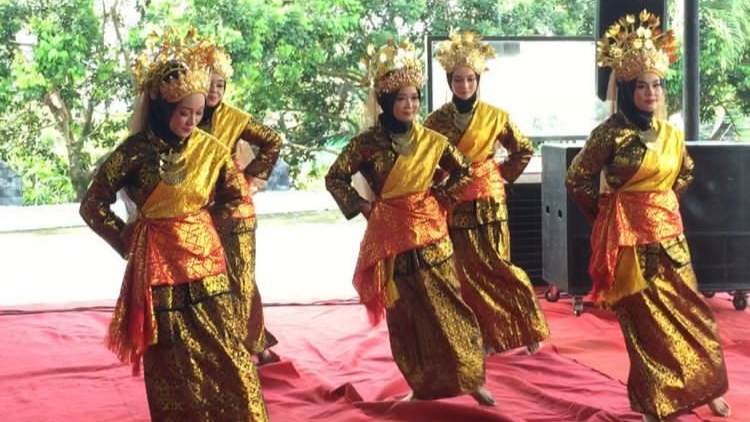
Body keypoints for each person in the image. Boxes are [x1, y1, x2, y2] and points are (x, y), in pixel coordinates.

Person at [79, 29, 269, 421]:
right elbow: (92, 204)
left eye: (198, 114)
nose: (192, 122)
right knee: (170, 359)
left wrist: (205, 225)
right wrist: (127, 239)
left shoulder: (211, 150)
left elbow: (236, 197)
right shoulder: (133, 153)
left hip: (206, 265)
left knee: (228, 351)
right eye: (184, 113)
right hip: (157, 269)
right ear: (163, 107)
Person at [565, 10, 730, 422]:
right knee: (646, 325)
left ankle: (705, 386)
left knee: (693, 316)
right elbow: (577, 177)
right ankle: (657, 402)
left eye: (656, 85)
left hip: (671, 239)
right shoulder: (610, 133)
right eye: (641, 86)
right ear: (626, 89)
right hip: (630, 245)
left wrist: (661, 203)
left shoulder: (672, 133)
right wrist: (606, 215)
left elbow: (686, 172)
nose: (651, 92)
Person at [325, 39, 494, 406]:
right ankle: (421, 384)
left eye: (415, 98)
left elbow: (465, 172)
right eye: (401, 99)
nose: (410, 105)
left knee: (449, 305)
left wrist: (440, 198)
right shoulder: (366, 143)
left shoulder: (433, 140)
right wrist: (363, 206)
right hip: (391, 239)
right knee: (406, 316)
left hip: (431, 233)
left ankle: (471, 377)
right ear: (386, 102)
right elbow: (334, 177)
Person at [424, 29, 549, 355]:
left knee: (498, 266)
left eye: (470, 79)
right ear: (449, 81)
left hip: (490, 200)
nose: (464, 85)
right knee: (466, 272)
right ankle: (487, 336)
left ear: (478, 80)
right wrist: (437, 185)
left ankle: (528, 326)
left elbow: (523, 149)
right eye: (458, 79)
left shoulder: (495, 117)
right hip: (456, 201)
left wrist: (499, 175)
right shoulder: (435, 121)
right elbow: (427, 162)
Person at [200, 43, 282, 366]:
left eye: (220, 85)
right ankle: (228, 343)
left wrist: (249, 177)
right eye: (209, 84)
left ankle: (252, 345)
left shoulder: (234, 119)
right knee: (212, 279)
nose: (215, 91)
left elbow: (272, 141)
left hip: (235, 210)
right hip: (198, 211)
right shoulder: (185, 117)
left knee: (241, 278)